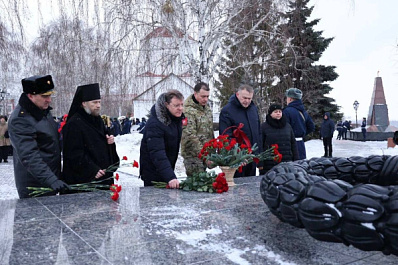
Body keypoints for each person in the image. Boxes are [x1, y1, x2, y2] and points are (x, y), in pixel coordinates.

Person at [8, 75, 70, 198]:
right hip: (35, 185)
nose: (49, 100)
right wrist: (51, 179)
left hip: (50, 180)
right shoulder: (20, 120)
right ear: (30, 95)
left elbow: (51, 142)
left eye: (50, 95)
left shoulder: (42, 111)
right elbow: (29, 156)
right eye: (44, 96)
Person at [62, 83, 119, 186]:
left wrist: (110, 143)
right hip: (85, 181)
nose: (98, 106)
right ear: (84, 103)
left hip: (102, 179)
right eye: (94, 102)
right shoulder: (74, 124)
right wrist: (92, 170)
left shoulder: (98, 121)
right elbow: (73, 153)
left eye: (99, 102)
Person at [139, 89, 184, 188]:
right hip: (153, 175)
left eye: (182, 105)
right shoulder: (155, 124)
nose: (180, 108)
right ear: (167, 105)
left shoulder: (175, 120)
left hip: (165, 171)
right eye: (176, 105)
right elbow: (157, 153)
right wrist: (170, 177)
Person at [219, 84, 262, 177]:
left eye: (249, 98)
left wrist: (258, 154)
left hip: (252, 157)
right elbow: (225, 136)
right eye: (244, 98)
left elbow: (258, 132)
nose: (247, 101)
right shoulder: (227, 111)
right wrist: (238, 155)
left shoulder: (253, 109)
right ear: (237, 94)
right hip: (236, 160)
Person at [181, 82, 214, 176]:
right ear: (195, 94)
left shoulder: (206, 108)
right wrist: (205, 156)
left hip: (205, 154)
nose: (206, 99)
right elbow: (190, 136)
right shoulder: (187, 110)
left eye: (207, 96)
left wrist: (213, 151)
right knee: (197, 185)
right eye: (203, 96)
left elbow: (209, 130)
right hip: (193, 156)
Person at [259, 104, 298, 174]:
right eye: (275, 112)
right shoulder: (263, 127)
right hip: (269, 164)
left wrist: (296, 160)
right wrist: (260, 163)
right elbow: (260, 145)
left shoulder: (287, 126)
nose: (278, 113)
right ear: (270, 113)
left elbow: (293, 143)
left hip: (287, 161)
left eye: (280, 111)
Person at [283, 87, 315, 160]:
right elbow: (311, 127)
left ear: (290, 99)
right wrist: (302, 132)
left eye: (287, 98)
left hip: (290, 145)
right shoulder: (304, 112)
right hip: (301, 144)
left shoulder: (286, 111)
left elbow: (285, 129)